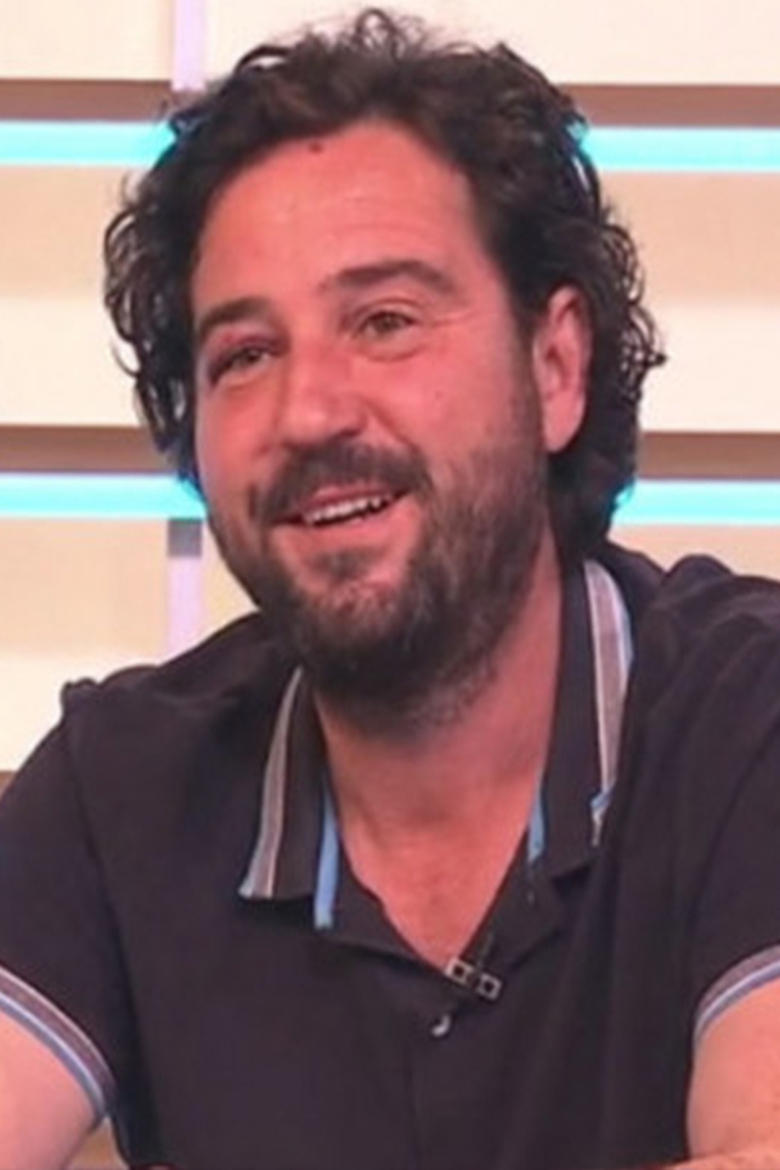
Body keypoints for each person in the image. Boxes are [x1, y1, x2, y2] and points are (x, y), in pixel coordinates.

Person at [2, 9, 780, 1169]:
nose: (311, 411)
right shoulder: (120, 794)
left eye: (385, 322)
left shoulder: (746, 724)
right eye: (246, 355)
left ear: (555, 366)